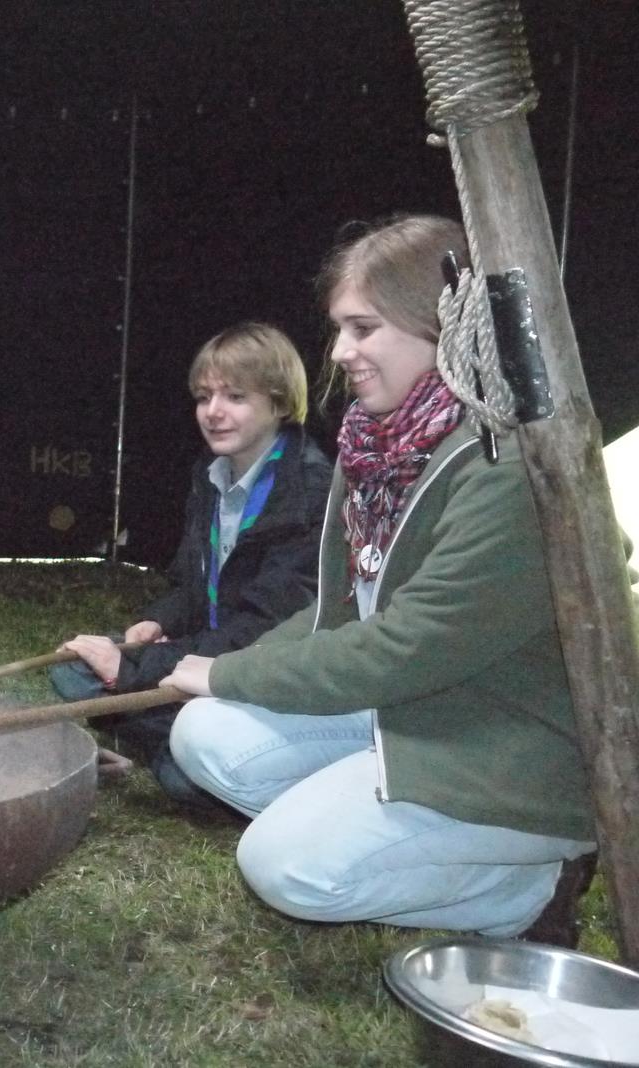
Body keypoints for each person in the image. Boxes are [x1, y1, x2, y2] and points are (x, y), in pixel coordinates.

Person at [164, 214, 597, 945]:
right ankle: (377, 827)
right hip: (411, 708)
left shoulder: (508, 468)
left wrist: (233, 672)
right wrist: (237, 667)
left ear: (440, 325)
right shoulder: (376, 449)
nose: (340, 352)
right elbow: (338, 612)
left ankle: (530, 891)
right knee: (204, 733)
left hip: (503, 749)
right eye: (340, 329)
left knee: (283, 865)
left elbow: (406, 647)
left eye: (363, 329)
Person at [52, 322, 331, 806]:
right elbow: (192, 585)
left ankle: (181, 750)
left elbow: (262, 631)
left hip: (261, 670)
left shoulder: (310, 492)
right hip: (208, 654)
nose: (213, 412)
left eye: (235, 397)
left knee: (178, 768)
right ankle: (179, 744)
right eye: (204, 397)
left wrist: (133, 670)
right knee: (72, 670)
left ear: (280, 403)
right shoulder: (210, 472)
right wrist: (158, 621)